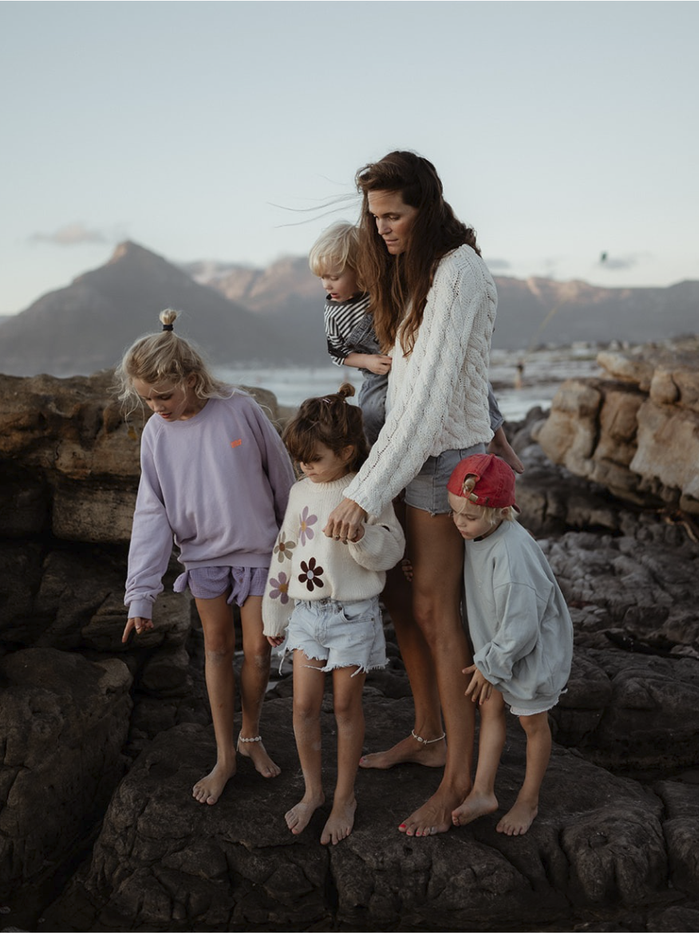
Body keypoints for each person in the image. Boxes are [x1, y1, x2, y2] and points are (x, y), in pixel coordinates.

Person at [319, 151, 501, 838]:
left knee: (437, 612)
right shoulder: (414, 271)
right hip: (410, 455)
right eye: (374, 217)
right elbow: (396, 381)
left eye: (393, 215)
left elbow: (423, 406)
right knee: (402, 600)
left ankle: (458, 778)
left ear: (426, 205)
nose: (382, 228)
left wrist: (364, 493)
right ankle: (428, 735)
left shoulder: (457, 273)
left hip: (446, 461)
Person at [117, 309, 296, 805]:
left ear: (191, 380)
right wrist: (141, 595)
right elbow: (150, 512)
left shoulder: (242, 409)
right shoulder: (156, 434)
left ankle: (250, 735)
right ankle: (223, 756)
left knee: (258, 650)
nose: (156, 407)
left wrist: (296, 555)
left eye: (164, 395)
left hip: (260, 552)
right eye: (146, 398)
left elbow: (283, 480)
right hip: (202, 560)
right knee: (217, 649)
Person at [259, 387, 404, 845]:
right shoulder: (300, 491)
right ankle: (313, 791)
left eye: (314, 458)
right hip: (307, 614)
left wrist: (360, 536)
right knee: (302, 706)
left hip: (353, 616)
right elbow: (284, 553)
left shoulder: (367, 493)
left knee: (344, 706)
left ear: (346, 452)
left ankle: (345, 797)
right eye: (299, 458)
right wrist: (274, 615)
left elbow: (392, 549)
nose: (304, 465)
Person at [309, 221, 518, 469]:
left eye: (334, 277)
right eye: (322, 278)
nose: (327, 285)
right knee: (372, 412)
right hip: (378, 372)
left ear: (361, 270)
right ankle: (381, 461)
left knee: (473, 379)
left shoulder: (382, 288)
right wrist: (366, 361)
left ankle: (498, 439)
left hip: (408, 353)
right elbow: (337, 352)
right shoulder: (334, 314)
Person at [445, 454, 572, 836]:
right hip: (497, 644)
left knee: (532, 721)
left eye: (468, 517)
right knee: (490, 706)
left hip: (530, 650)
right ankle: (483, 791)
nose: (459, 523)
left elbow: (523, 624)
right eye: (454, 513)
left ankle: (528, 800)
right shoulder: (478, 532)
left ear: (501, 512)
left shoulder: (512, 555)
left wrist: (491, 664)